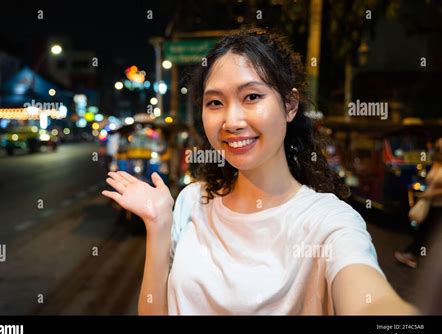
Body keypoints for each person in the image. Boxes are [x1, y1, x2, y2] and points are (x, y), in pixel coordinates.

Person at [102, 28, 417, 315]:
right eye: (215, 102)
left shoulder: (329, 222)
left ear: (290, 105)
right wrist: (158, 225)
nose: (232, 120)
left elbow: (372, 302)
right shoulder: (190, 202)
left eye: (252, 96)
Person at [395, 138, 442, 269]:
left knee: (427, 232)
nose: (438, 150)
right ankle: (414, 254)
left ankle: (413, 254)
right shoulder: (436, 163)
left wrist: (430, 194)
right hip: (431, 204)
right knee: (425, 231)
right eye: (437, 147)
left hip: (438, 205)